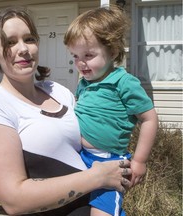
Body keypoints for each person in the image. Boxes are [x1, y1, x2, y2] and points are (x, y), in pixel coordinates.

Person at [0, 6, 132, 216]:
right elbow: (14, 200)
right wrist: (99, 177)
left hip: (100, 204)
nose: (24, 49)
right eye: (10, 42)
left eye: (29, 39)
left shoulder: (58, 91)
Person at [64, 5, 158, 216]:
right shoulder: (84, 83)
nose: (80, 63)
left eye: (88, 55)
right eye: (75, 56)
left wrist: (140, 161)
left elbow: (150, 119)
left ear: (113, 51)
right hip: (80, 157)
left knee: (102, 212)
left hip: (110, 163)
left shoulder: (124, 82)